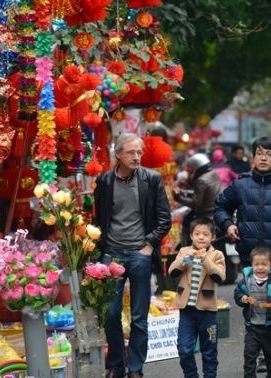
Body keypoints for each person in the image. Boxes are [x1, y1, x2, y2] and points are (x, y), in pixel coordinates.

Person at [94, 133, 172, 378]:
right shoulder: (104, 181)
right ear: (118, 154)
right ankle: (116, 365)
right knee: (111, 313)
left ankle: (135, 369)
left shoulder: (152, 179)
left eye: (139, 152)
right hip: (112, 254)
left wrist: (148, 245)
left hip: (140, 254)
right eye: (131, 152)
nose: (137, 156)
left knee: (139, 317)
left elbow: (164, 219)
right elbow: (99, 219)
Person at [214, 136, 271, 372]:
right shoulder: (241, 184)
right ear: (253, 157)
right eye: (259, 153)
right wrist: (227, 225)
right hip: (249, 258)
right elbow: (220, 206)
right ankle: (255, 353)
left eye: (268, 154)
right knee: (253, 306)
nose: (263, 157)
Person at [169, 218, 226, 378]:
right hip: (186, 311)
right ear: (191, 236)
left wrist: (205, 259)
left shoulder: (217, 254)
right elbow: (172, 271)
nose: (201, 237)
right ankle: (191, 375)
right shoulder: (184, 251)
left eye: (205, 234)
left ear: (212, 237)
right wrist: (187, 258)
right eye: (197, 234)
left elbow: (219, 277)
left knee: (209, 351)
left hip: (208, 312)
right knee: (184, 349)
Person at [234, 246, 271, 378]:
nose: (260, 268)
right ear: (251, 265)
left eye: (264, 264)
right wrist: (242, 298)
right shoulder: (246, 281)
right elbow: (238, 293)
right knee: (249, 354)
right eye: (256, 264)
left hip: (270, 326)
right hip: (252, 327)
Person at [174, 153, 223, 246]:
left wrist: (178, 198)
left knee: (187, 222)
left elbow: (196, 203)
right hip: (215, 211)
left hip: (205, 214)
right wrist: (185, 193)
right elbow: (204, 193)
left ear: (197, 167)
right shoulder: (212, 173)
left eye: (191, 169)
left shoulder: (201, 180)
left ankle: (188, 248)